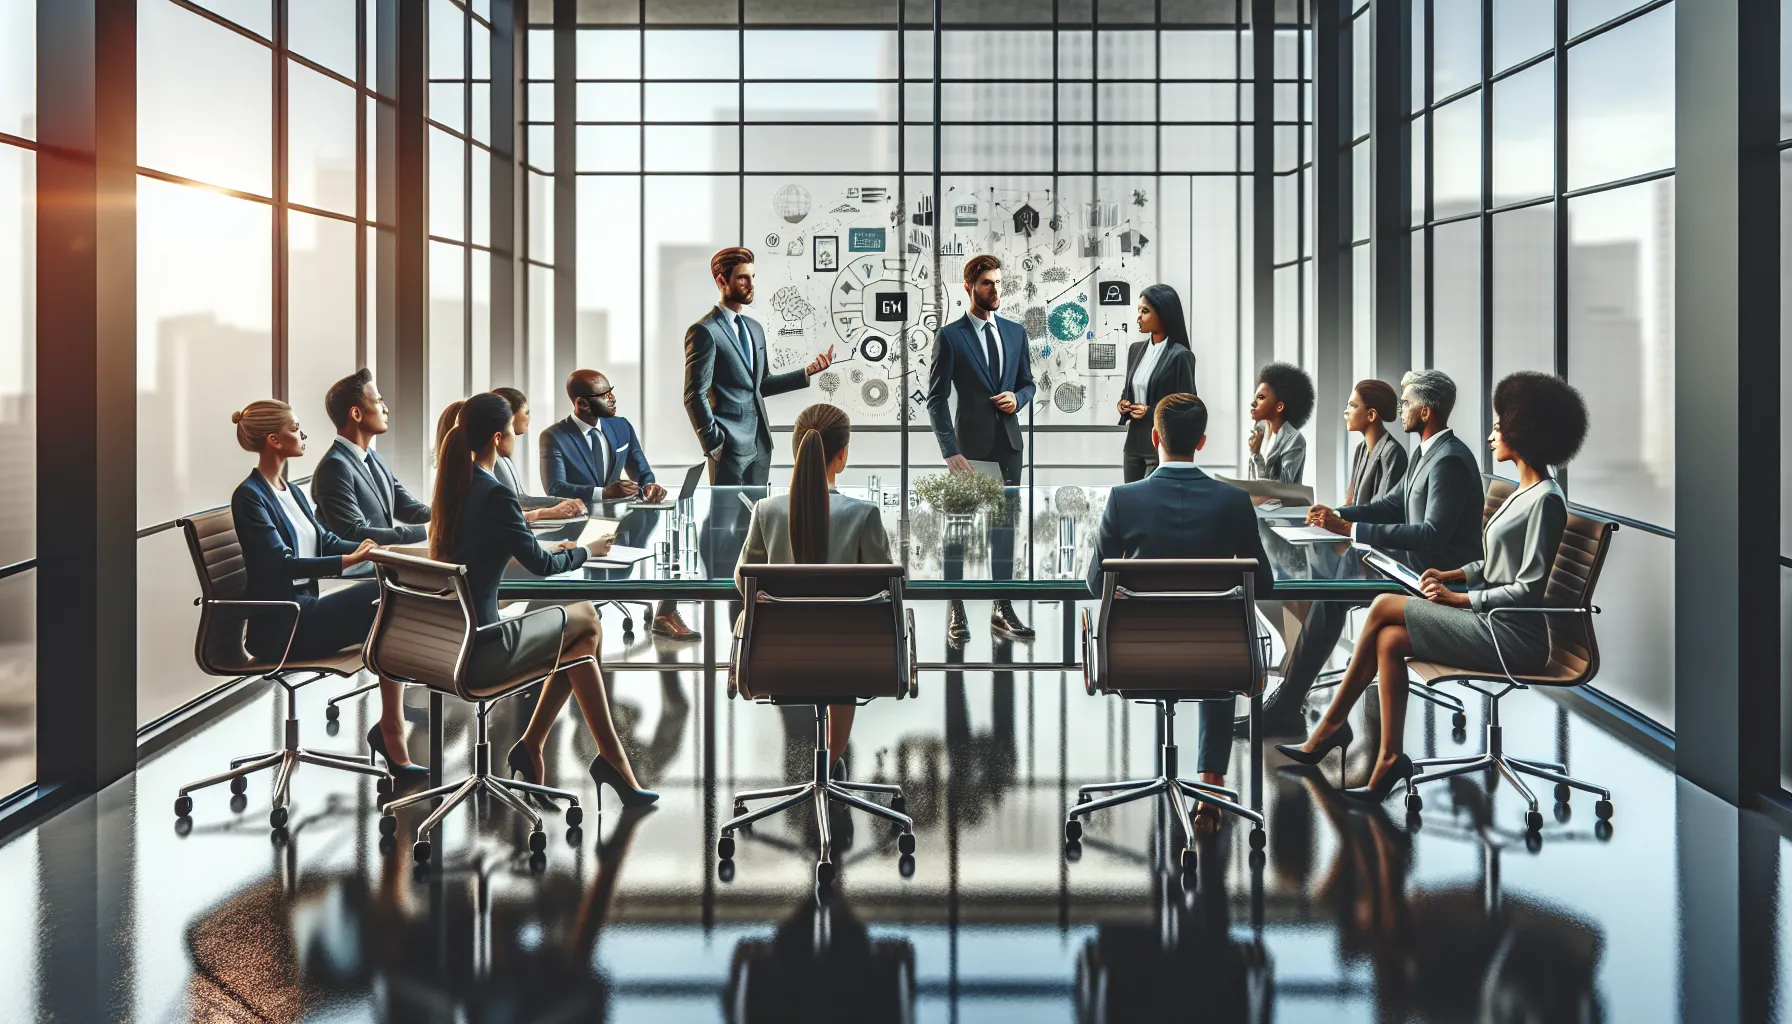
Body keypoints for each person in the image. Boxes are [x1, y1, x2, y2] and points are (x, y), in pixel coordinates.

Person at [1277, 372, 1587, 802]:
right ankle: (1388, 758)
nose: (1491, 435)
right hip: (1486, 616)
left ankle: (1330, 726)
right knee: (1388, 640)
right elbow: (1491, 563)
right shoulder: (1522, 491)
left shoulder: (1545, 500)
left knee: (1383, 606)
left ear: (1523, 433)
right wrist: (1453, 575)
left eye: (1499, 427)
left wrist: (1461, 597)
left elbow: (1528, 589)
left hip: (1511, 635)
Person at [430, 392, 657, 810]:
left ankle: (543, 748)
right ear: (498, 438)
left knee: (579, 640)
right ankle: (601, 758)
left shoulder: (457, 485)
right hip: (484, 649)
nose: (517, 435)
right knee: (586, 621)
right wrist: (588, 551)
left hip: (451, 640)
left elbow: (494, 550)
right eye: (512, 429)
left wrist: (556, 548)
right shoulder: (494, 493)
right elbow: (542, 567)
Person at [1085, 394, 1274, 830]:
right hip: (1220, 661)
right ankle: (1211, 783)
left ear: (1154, 438)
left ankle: (1203, 781)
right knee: (1225, 626)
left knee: (1214, 627)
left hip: (1136, 660)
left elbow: (1096, 584)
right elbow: (1263, 584)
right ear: (1201, 442)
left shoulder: (1123, 499)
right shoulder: (1234, 502)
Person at [228, 400, 424, 782]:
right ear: (274, 440)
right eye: (295, 428)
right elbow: (281, 564)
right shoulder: (250, 496)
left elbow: (325, 540)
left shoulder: (291, 490)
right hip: (282, 626)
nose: (303, 434)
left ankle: (391, 726)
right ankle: (392, 729)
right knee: (388, 598)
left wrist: (371, 550)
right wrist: (348, 562)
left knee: (391, 595)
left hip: (305, 611)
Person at [1238, 379, 1411, 736]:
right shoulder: (1362, 450)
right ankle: (1289, 690)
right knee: (1298, 572)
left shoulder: (1393, 454)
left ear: (1371, 415)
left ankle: (1289, 697)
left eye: (1352, 405)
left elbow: (1384, 512)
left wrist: (1340, 520)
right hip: (1353, 546)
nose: (1346, 411)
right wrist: (1331, 516)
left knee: (1320, 590)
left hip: (1375, 556)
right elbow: (1354, 504)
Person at [734, 404, 892, 772]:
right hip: (850, 663)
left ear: (796, 452)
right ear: (842, 455)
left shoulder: (766, 511)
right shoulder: (864, 515)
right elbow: (891, 587)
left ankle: (823, 764)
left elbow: (743, 580)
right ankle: (831, 760)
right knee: (845, 640)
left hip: (777, 660)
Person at [924, 253, 1037, 644]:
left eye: (999, 282)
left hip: (1009, 447)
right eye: (987, 283)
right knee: (957, 534)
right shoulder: (950, 336)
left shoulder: (1015, 333)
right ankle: (956, 609)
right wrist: (949, 450)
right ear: (969, 287)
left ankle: (1001, 606)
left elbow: (1028, 383)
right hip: (968, 452)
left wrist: (1018, 399)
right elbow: (936, 399)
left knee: (1003, 532)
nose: (995, 289)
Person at [540, 369, 695, 640]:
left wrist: (649, 486)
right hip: (580, 525)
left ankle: (665, 613)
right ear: (582, 403)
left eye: (611, 391)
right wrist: (603, 493)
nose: (612, 399)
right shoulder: (555, 436)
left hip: (623, 520)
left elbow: (641, 469)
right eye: (605, 395)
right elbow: (555, 488)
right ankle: (585, 614)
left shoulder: (620, 426)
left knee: (672, 536)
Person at [683, 246, 834, 487]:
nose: (751, 284)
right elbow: (694, 394)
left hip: (761, 445)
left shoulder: (754, 328)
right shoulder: (704, 331)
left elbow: (760, 385)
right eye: (742, 278)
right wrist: (713, 443)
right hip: (728, 447)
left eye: (752, 276)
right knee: (725, 512)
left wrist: (807, 373)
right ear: (722, 281)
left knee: (758, 511)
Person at [311, 368, 431, 545]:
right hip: (363, 564)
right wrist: (429, 531)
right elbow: (354, 533)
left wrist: (450, 517)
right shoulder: (333, 467)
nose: (386, 409)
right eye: (378, 401)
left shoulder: (376, 460)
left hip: (383, 560)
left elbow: (408, 508)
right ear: (356, 414)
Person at [1117, 284, 1199, 482]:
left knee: (1152, 498)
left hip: (1161, 445)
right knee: (1131, 496)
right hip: (1133, 443)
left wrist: (1150, 412)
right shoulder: (1135, 350)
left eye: (1145, 311)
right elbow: (1129, 390)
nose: (1138, 317)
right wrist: (1123, 404)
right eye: (1139, 311)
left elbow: (1188, 408)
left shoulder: (1181, 356)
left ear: (1163, 313)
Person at [490, 386, 585, 523]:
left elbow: (521, 499)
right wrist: (552, 508)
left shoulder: (502, 456)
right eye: (526, 412)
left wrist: (565, 502)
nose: (529, 417)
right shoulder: (495, 458)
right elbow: (517, 503)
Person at [1247, 362, 1314, 484]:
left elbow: (1283, 486)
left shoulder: (1294, 440)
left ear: (1279, 407)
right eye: (1255, 397)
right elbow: (1252, 481)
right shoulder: (1259, 434)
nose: (1253, 403)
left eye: (1261, 397)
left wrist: (1257, 455)